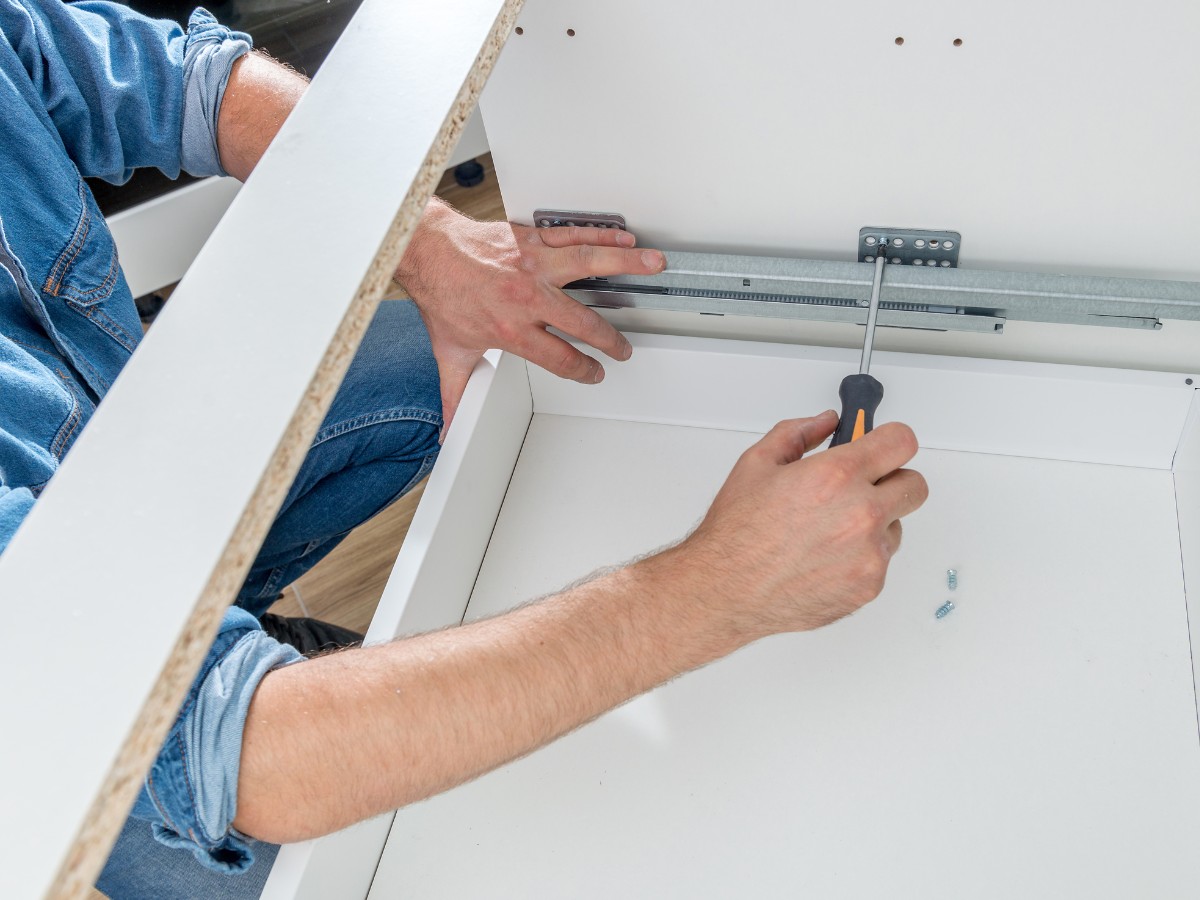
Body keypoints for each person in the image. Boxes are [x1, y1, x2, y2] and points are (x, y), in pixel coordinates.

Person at [0, 2, 928, 896]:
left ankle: (255, 639)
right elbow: (236, 751)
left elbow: (184, 86)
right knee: (366, 854)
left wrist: (434, 246)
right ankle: (280, 684)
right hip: (50, 725)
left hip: (128, 481)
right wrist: (718, 588)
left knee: (483, 352)